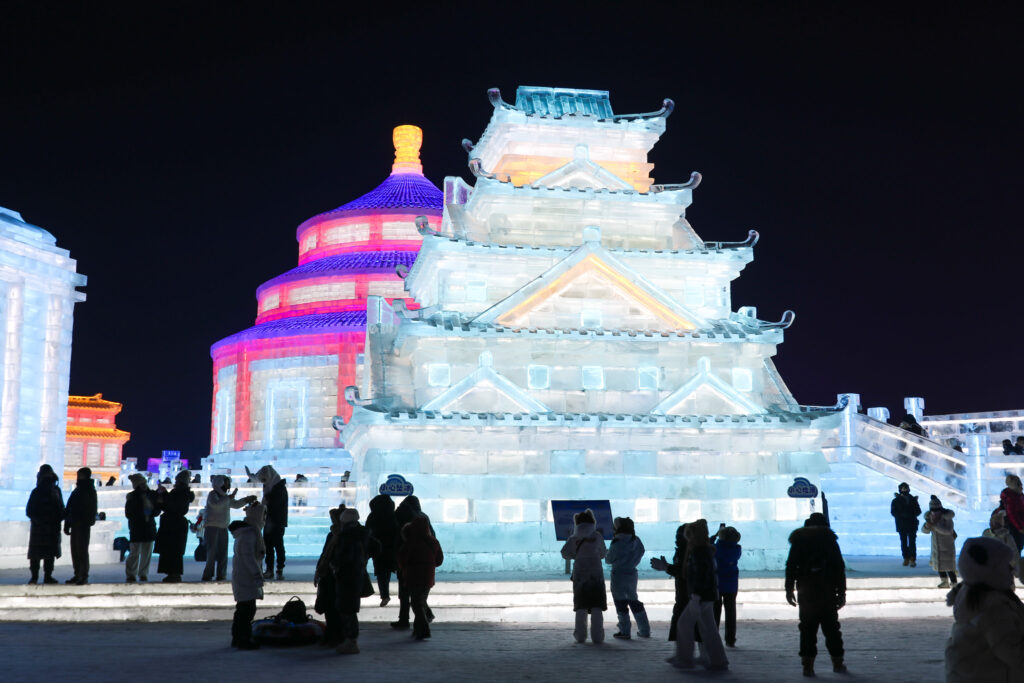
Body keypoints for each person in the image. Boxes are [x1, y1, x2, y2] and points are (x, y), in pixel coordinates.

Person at [944, 536, 1024, 681]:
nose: (1011, 569)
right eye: (1005, 564)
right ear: (993, 570)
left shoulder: (971, 593)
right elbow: (1014, 654)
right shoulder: (994, 607)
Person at [785, 512, 847, 677]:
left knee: (807, 628)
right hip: (827, 589)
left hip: (806, 590)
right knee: (832, 628)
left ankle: (808, 665)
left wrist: (789, 588)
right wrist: (842, 592)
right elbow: (839, 567)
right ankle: (837, 662)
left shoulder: (799, 541)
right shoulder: (830, 541)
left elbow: (791, 565)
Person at [671, 519, 728, 671]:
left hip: (701, 596)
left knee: (684, 624)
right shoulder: (705, 549)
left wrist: (695, 595)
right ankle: (718, 660)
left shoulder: (698, 551)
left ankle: (685, 659)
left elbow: (700, 575)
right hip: (707, 595)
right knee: (709, 629)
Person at [330, 508, 379, 654]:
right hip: (357, 573)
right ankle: (351, 640)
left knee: (347, 608)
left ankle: (351, 641)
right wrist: (365, 559)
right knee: (350, 607)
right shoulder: (363, 533)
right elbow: (377, 547)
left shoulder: (347, 536)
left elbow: (345, 557)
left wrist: (335, 565)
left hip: (347, 575)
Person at [560, 509, 608, 644]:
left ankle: (580, 636)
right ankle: (598, 637)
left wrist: (576, 555)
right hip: (596, 574)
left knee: (581, 605)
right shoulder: (597, 536)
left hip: (580, 574)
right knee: (596, 605)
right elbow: (603, 553)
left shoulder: (574, 538)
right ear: (593, 522)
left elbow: (564, 553)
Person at [397, 513, 443, 640]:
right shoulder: (433, 541)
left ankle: (423, 630)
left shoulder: (410, 542)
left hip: (413, 576)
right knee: (420, 603)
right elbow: (439, 561)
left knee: (417, 604)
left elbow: (403, 559)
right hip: (428, 576)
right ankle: (418, 629)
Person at [201, 475, 254, 582]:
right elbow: (216, 505)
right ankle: (208, 574)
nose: (228, 485)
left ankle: (221, 574)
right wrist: (228, 498)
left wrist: (246, 500)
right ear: (219, 483)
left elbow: (235, 504)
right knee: (211, 553)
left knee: (223, 553)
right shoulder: (213, 494)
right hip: (212, 527)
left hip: (223, 528)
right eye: (226, 483)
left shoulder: (225, 496)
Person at [604, 516, 650, 640]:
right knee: (634, 600)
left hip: (618, 575)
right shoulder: (636, 540)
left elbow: (608, 559)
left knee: (620, 603)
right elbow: (642, 551)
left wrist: (606, 553)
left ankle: (625, 630)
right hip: (632, 574)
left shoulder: (617, 542)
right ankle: (644, 629)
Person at [650, 523, 696, 643]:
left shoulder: (690, 551)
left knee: (681, 622)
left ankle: (680, 648)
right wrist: (667, 567)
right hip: (684, 593)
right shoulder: (683, 550)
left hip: (689, 594)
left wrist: (666, 567)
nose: (677, 538)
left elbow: (685, 571)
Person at [230, 502, 266, 650]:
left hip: (243, 576)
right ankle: (242, 639)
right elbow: (248, 557)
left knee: (244, 609)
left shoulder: (248, 533)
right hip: (246, 577)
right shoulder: (249, 534)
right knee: (246, 610)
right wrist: (257, 574)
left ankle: (239, 637)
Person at [25, 464, 64, 585]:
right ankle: (37, 576)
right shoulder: (40, 491)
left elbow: (60, 508)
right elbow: (30, 510)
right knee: (41, 554)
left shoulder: (54, 491)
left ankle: (44, 576)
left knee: (48, 554)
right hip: (42, 527)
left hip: (48, 527)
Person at [248, 465, 288, 580]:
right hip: (268, 521)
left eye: (264, 480)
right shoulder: (271, 486)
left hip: (277, 522)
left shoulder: (279, 489)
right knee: (268, 546)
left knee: (278, 545)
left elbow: (274, 504)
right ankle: (269, 569)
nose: (263, 483)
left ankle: (279, 568)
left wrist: (264, 504)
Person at [392, 494, 425, 629]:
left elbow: (395, 537)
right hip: (423, 561)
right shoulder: (423, 517)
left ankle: (405, 619)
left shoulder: (400, 514)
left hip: (406, 560)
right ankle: (423, 617)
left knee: (405, 592)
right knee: (418, 594)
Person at [155, 470, 195, 583]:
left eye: (177, 479)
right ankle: (171, 573)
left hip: (174, 526)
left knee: (173, 551)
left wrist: (164, 494)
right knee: (172, 551)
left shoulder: (181, 492)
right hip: (173, 525)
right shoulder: (181, 492)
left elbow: (173, 505)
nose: (175, 481)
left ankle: (174, 573)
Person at [314, 507, 344, 647]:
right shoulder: (333, 534)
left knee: (334, 608)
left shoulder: (342, 535)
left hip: (335, 576)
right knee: (330, 607)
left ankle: (335, 635)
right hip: (328, 575)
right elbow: (325, 554)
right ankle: (333, 634)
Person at [63, 467, 97, 585]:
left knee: (81, 550)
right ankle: (78, 573)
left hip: (83, 524)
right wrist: (67, 523)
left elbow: (91, 508)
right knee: (75, 550)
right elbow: (70, 507)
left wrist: (87, 521)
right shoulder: (78, 490)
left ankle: (83, 575)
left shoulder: (88, 490)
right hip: (75, 523)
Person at [124, 472, 160, 583]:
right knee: (135, 552)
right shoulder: (132, 496)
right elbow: (129, 513)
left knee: (146, 553)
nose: (143, 485)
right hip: (137, 527)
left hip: (146, 527)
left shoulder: (152, 495)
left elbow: (157, 510)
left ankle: (142, 573)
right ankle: (132, 574)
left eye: (144, 483)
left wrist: (150, 512)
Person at [365, 494, 399, 607]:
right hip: (391, 548)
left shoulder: (373, 516)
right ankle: (393, 594)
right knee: (388, 570)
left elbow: (367, 531)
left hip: (378, 548)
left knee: (381, 572)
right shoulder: (393, 516)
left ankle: (384, 595)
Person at [712, 525, 742, 648]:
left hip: (717, 583)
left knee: (715, 611)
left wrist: (714, 537)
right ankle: (730, 639)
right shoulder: (737, 549)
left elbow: (709, 548)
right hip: (732, 584)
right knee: (731, 611)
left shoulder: (716, 548)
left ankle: (713, 637)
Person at [922, 495, 958, 588]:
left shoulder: (947, 518)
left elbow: (948, 531)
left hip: (947, 545)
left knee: (949, 566)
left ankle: (954, 582)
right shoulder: (930, 517)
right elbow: (925, 530)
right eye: (933, 510)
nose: (934, 512)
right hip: (936, 545)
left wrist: (935, 526)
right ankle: (944, 581)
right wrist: (927, 525)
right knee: (939, 565)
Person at [890, 482, 922, 567]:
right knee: (904, 542)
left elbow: (918, 511)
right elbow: (893, 512)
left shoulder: (913, 499)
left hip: (912, 523)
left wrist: (911, 514)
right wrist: (902, 515)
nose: (904, 490)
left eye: (906, 488)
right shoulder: (895, 501)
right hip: (902, 524)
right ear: (900, 489)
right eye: (903, 488)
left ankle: (912, 558)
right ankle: (906, 558)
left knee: (912, 542)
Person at [982, 509, 1019, 577]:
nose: (991, 523)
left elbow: (1013, 555)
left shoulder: (1006, 537)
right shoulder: (986, 534)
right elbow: (1014, 555)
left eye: (993, 521)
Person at [999, 474, 1024, 565]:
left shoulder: (1018, 495)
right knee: (1016, 547)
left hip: (1019, 527)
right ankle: (1014, 568)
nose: (1021, 486)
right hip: (1015, 528)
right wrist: (1020, 528)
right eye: (1018, 484)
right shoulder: (1011, 498)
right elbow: (1012, 515)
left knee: (1018, 547)